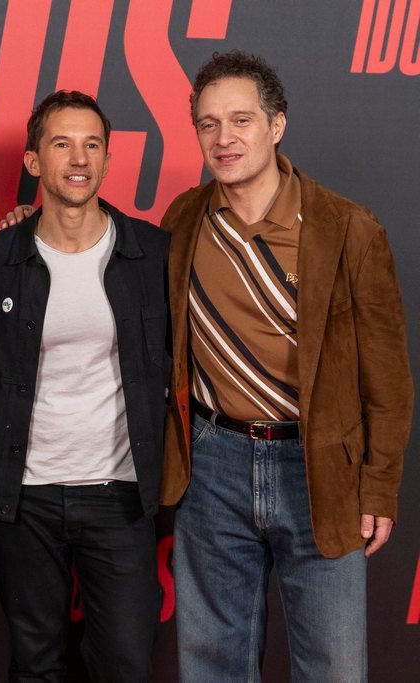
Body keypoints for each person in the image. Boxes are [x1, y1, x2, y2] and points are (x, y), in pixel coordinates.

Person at [160, 51, 413, 681]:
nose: (224, 138)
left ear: (277, 125)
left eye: (241, 120)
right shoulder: (184, 220)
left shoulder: (348, 229)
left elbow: (388, 380)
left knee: (333, 667)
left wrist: (379, 486)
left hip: (319, 469)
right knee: (212, 667)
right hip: (212, 464)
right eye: (209, 124)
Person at [0, 91, 167, 682]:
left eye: (92, 144)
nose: (79, 158)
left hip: (120, 494)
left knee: (125, 664)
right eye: (61, 144)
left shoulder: (152, 253)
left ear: (106, 159)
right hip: (24, 496)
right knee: (35, 664)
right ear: (33, 161)